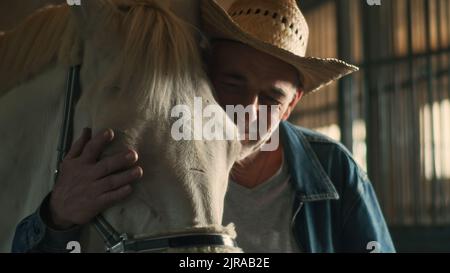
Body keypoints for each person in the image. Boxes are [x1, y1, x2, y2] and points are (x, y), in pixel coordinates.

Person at [11, 0, 395, 253]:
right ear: (203, 76)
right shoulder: (146, 151)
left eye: (272, 99)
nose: (247, 108)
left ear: (292, 105)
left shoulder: (333, 170)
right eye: (233, 83)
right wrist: (57, 217)